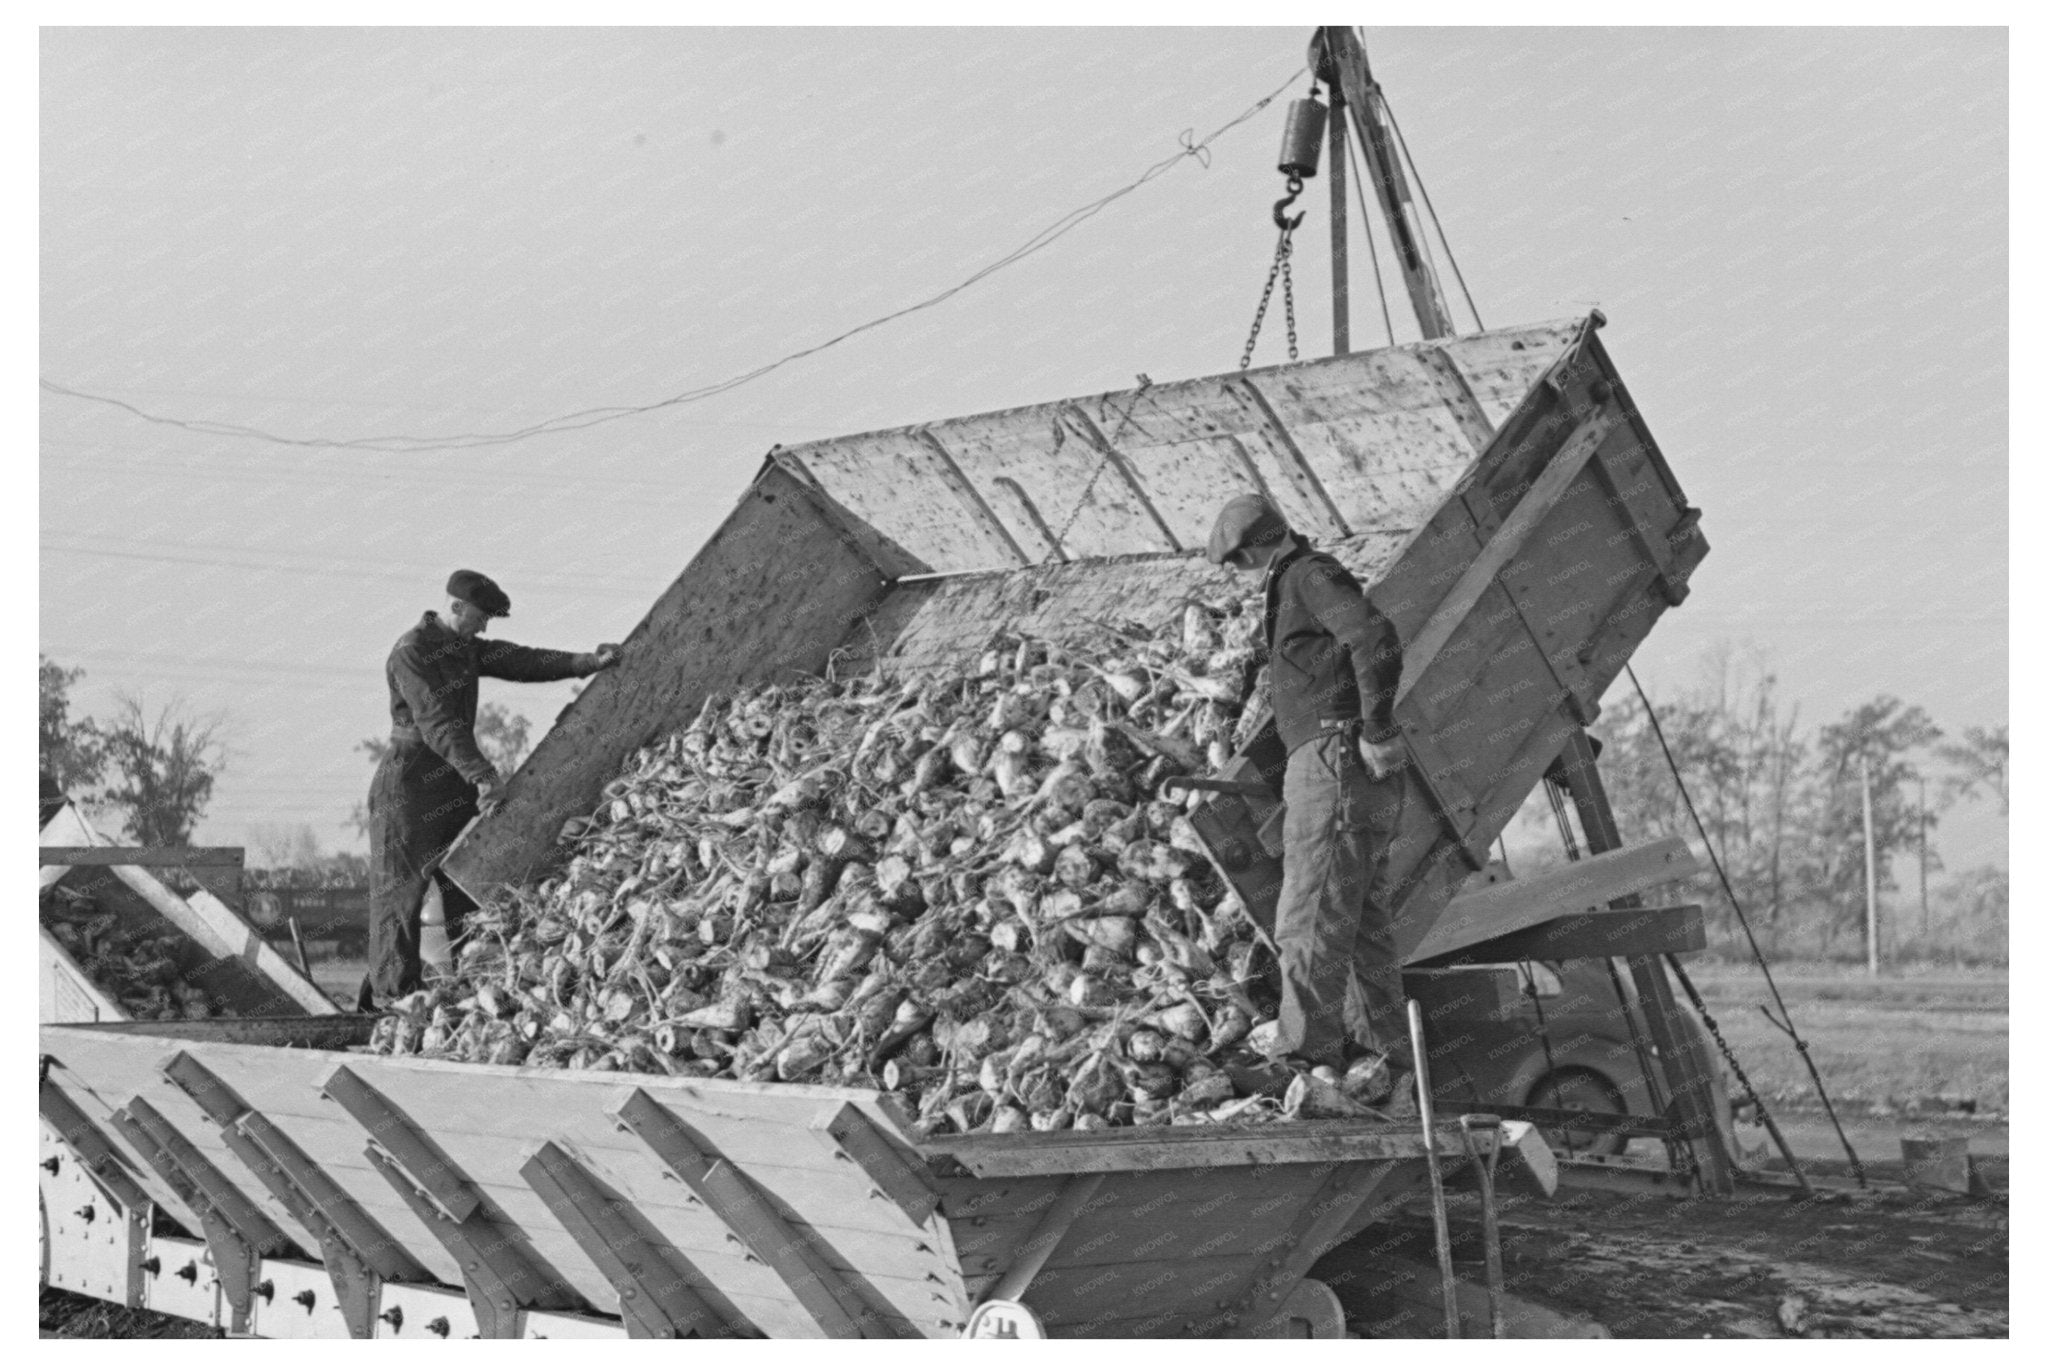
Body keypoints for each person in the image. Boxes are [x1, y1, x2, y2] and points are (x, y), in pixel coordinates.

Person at [1207, 494, 1414, 1101]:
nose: (1238, 571)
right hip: (1339, 762)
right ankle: (1383, 1066)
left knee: (1309, 914)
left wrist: (1376, 727)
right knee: (1361, 921)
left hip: (1334, 763)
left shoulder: (1307, 575)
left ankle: (1302, 1059)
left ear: (1254, 547)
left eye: (1237, 559)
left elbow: (1374, 636)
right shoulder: (1300, 579)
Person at [360, 569, 621, 1009]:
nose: (484, 627)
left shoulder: (464, 647)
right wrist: (481, 774)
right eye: (480, 618)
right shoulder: (412, 652)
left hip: (453, 779)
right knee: (400, 891)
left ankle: (473, 976)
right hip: (410, 781)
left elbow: (521, 660)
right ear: (455, 607)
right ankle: (393, 998)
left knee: (471, 873)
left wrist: (585, 663)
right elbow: (436, 721)